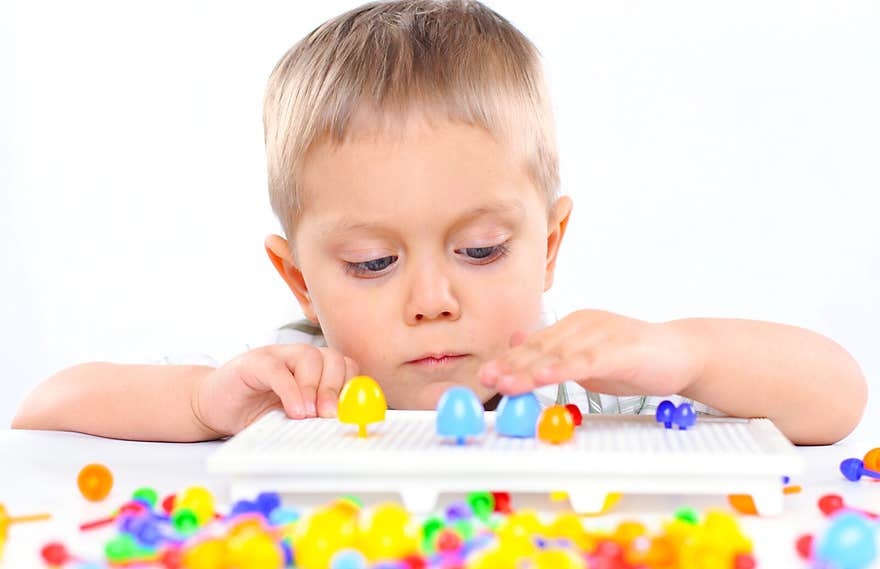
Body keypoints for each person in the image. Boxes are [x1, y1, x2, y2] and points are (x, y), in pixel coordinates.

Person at [12, 0, 867, 446]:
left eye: (482, 249)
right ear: (300, 279)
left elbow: (837, 395)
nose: (432, 299)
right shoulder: (293, 388)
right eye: (373, 262)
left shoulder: (589, 382)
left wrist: (688, 355)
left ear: (549, 247)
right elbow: (46, 408)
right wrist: (205, 403)